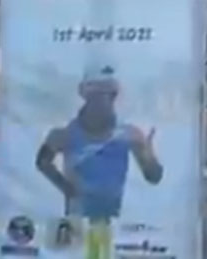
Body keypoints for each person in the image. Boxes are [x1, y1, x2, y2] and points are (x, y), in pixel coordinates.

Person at [36, 65, 163, 259]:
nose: (102, 100)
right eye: (96, 94)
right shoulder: (65, 134)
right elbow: (42, 162)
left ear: (114, 96)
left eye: (108, 94)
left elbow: (153, 177)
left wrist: (148, 155)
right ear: (85, 95)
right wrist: (66, 188)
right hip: (77, 225)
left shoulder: (128, 134)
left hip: (113, 224)